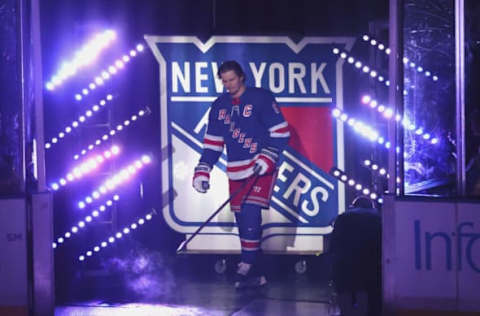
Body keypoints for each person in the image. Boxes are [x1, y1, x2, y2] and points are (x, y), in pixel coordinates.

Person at [192, 60, 290, 289]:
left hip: (261, 165)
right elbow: (213, 143)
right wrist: (203, 169)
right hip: (236, 169)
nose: (228, 85)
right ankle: (259, 271)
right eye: (224, 81)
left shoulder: (262, 98)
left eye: (232, 79)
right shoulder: (218, 106)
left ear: (242, 77)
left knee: (250, 214)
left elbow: (281, 132)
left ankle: (246, 265)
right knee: (243, 220)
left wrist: (267, 156)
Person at [329, 195, 382, 316]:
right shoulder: (377, 218)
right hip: (368, 264)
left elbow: (334, 243)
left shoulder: (343, 217)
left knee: (345, 294)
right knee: (364, 294)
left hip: (344, 263)